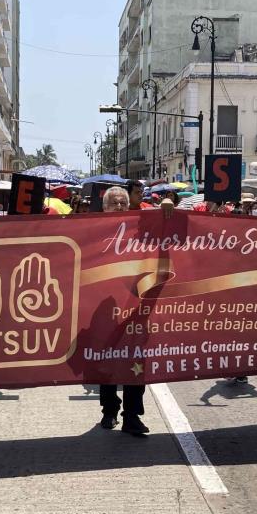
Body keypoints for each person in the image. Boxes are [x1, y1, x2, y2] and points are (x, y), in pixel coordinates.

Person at [97, 185, 149, 437]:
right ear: (104, 206)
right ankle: (109, 410)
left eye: (122, 203)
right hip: (103, 308)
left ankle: (132, 415)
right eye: (114, 203)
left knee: (136, 361)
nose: (118, 206)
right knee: (105, 362)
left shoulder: (140, 228)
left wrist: (169, 210)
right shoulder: (91, 230)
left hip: (135, 307)